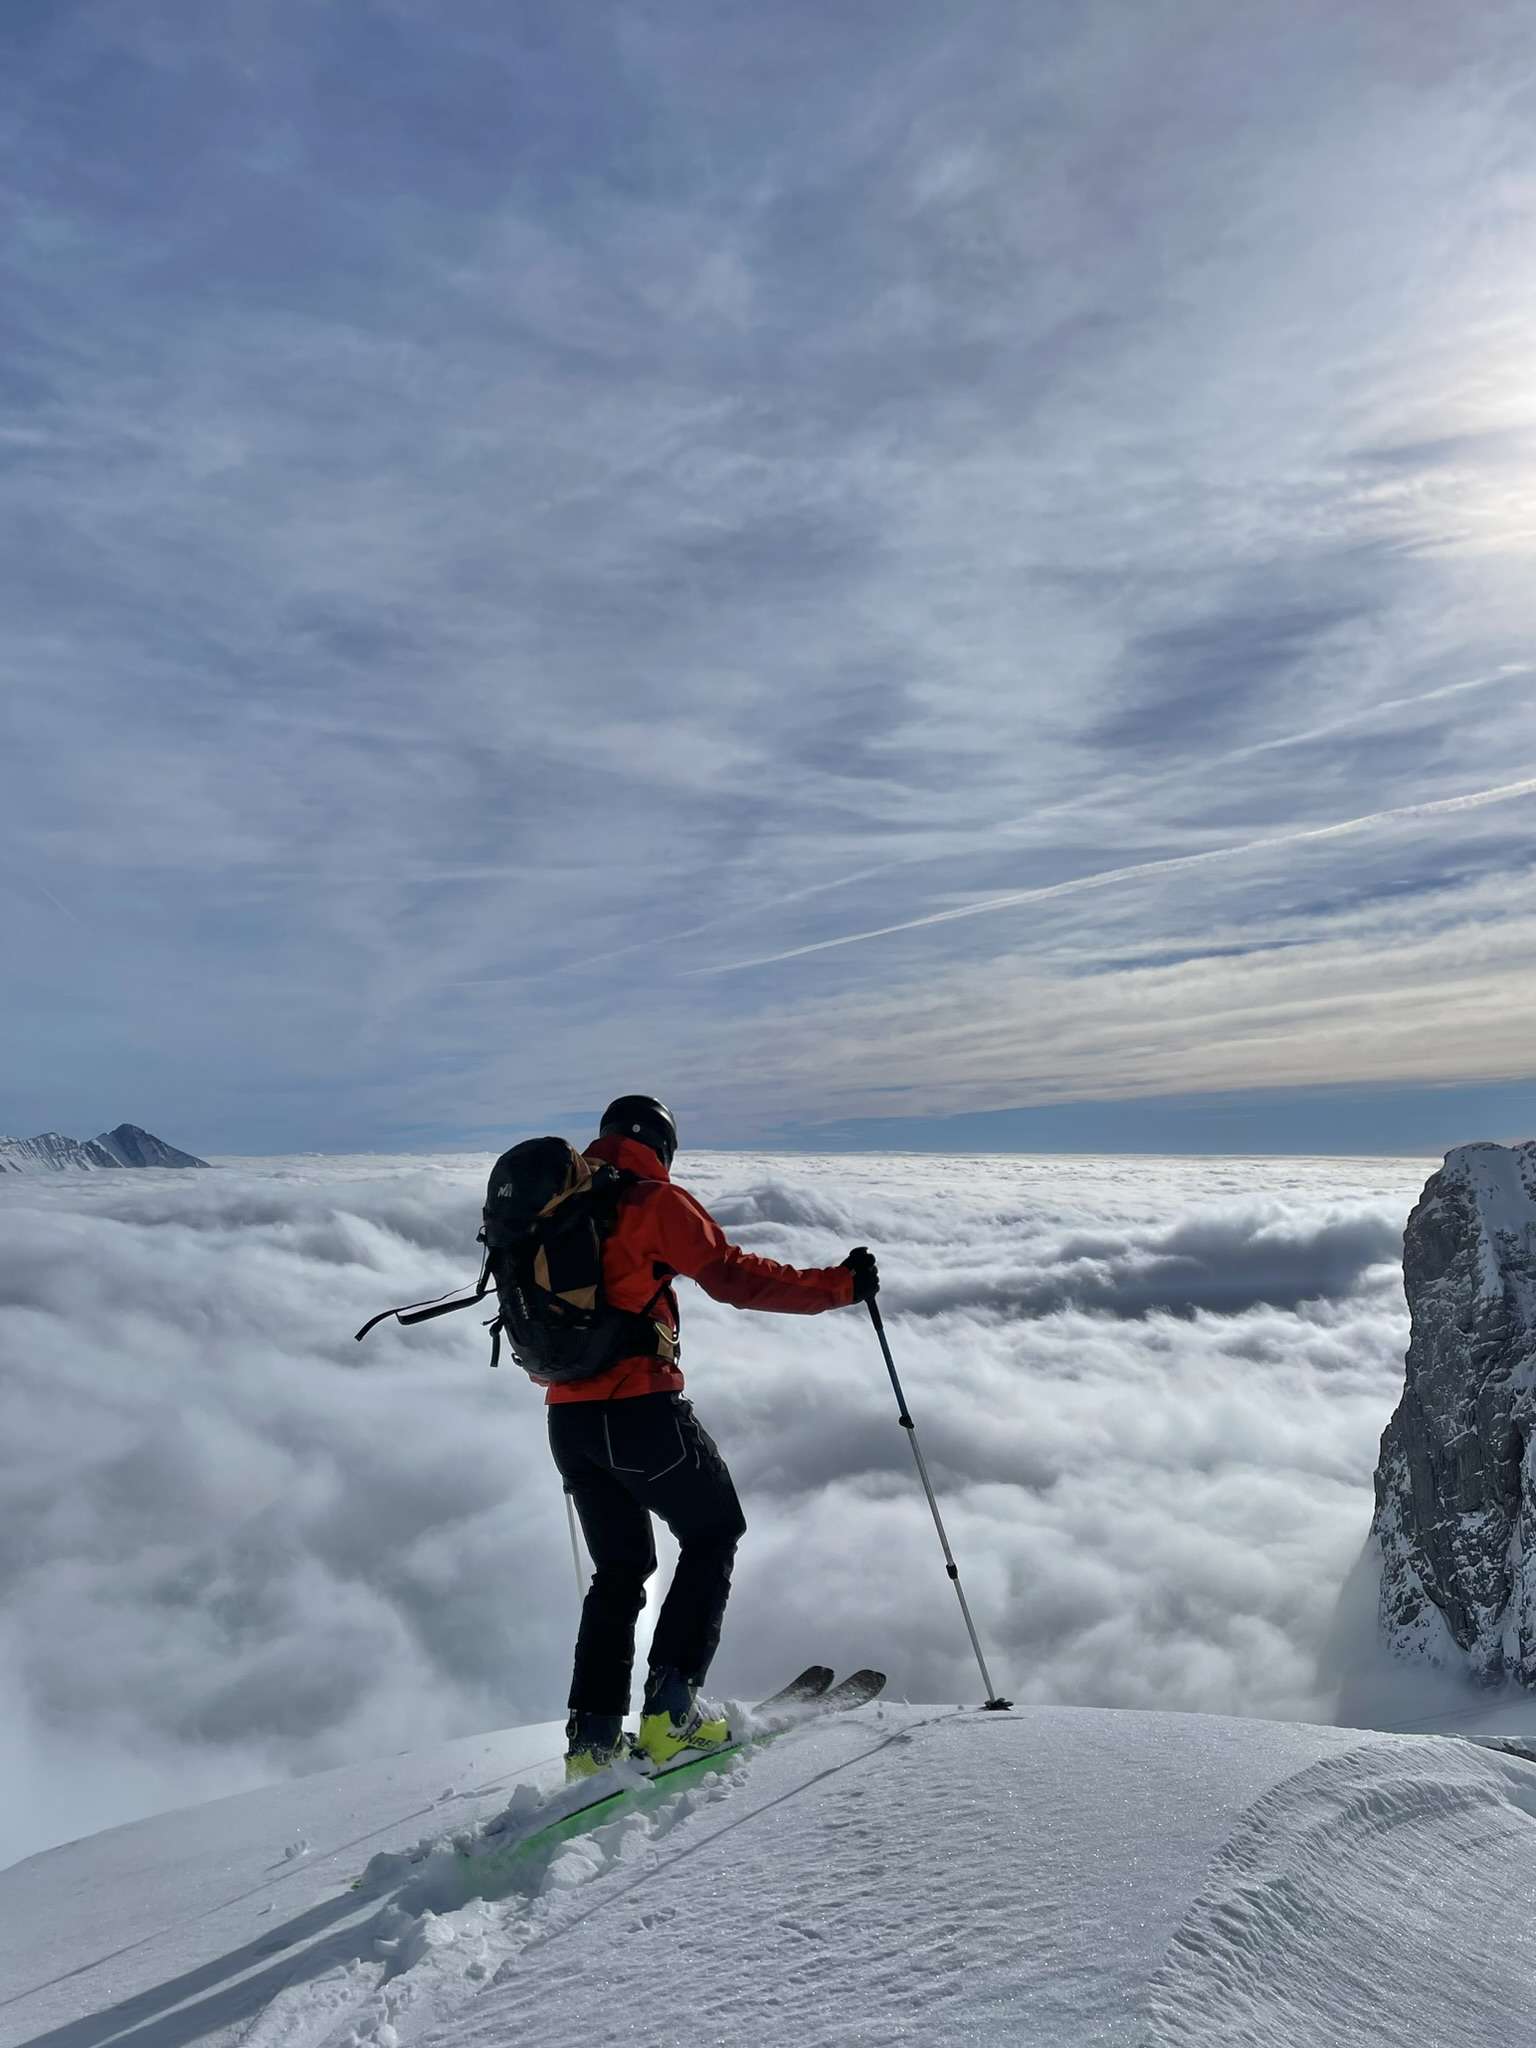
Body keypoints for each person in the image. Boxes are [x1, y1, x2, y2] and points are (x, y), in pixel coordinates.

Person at [549, 1094, 879, 1779]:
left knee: (618, 1572)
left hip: (568, 1421)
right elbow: (732, 1277)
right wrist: (840, 1286)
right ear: (662, 1148)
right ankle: (671, 1717)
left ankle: (591, 1742)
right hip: (640, 1411)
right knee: (711, 1532)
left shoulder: (559, 1207)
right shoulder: (653, 1202)